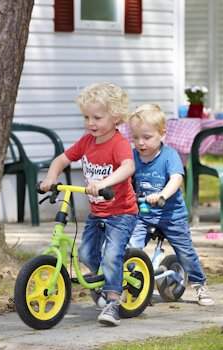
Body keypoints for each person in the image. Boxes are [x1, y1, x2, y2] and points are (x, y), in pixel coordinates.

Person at [40, 82, 138, 326]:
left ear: (115, 117)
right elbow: (62, 159)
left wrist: (105, 181)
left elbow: (128, 167)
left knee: (112, 255)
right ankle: (104, 284)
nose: (90, 123)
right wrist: (52, 177)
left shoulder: (119, 143)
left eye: (97, 117)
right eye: (86, 117)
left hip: (121, 212)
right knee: (85, 253)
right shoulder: (86, 142)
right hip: (98, 212)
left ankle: (114, 301)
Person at [127, 104, 214, 306]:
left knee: (185, 251)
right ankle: (136, 284)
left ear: (162, 134)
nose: (140, 143)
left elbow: (176, 179)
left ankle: (199, 284)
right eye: (136, 137)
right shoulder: (133, 156)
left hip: (171, 215)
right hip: (144, 214)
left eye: (146, 137)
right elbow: (125, 176)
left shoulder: (169, 156)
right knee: (131, 246)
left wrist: (162, 194)